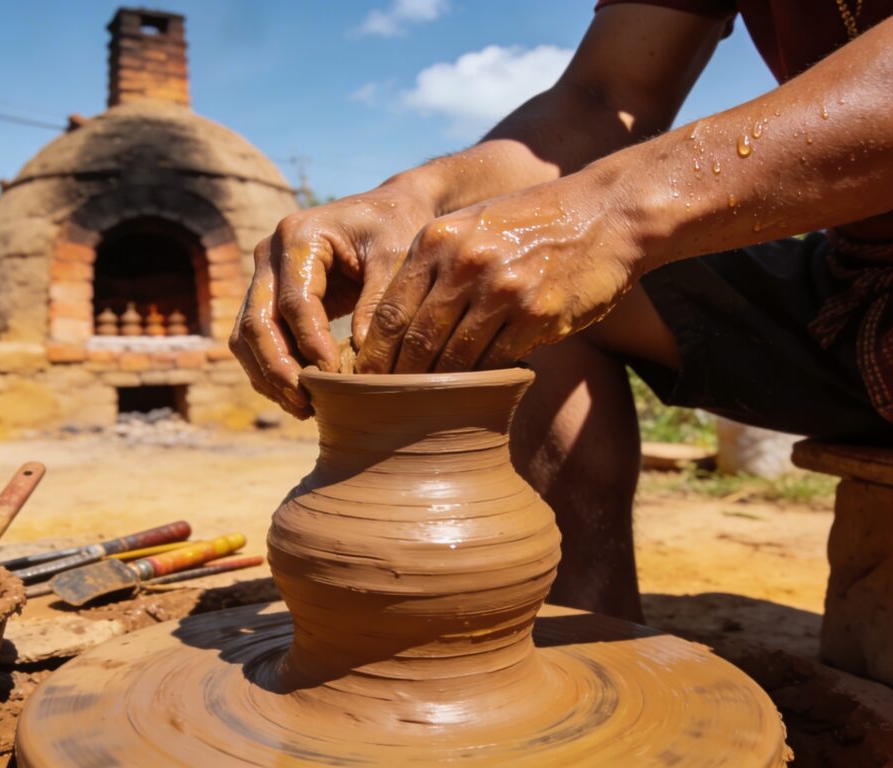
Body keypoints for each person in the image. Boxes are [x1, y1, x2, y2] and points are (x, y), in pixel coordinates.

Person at [230, 1, 893, 622]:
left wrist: (615, 213)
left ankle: (603, 682)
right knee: (495, 281)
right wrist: (415, 196)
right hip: (848, 283)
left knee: (548, 257)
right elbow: (603, 95)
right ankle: (590, 636)